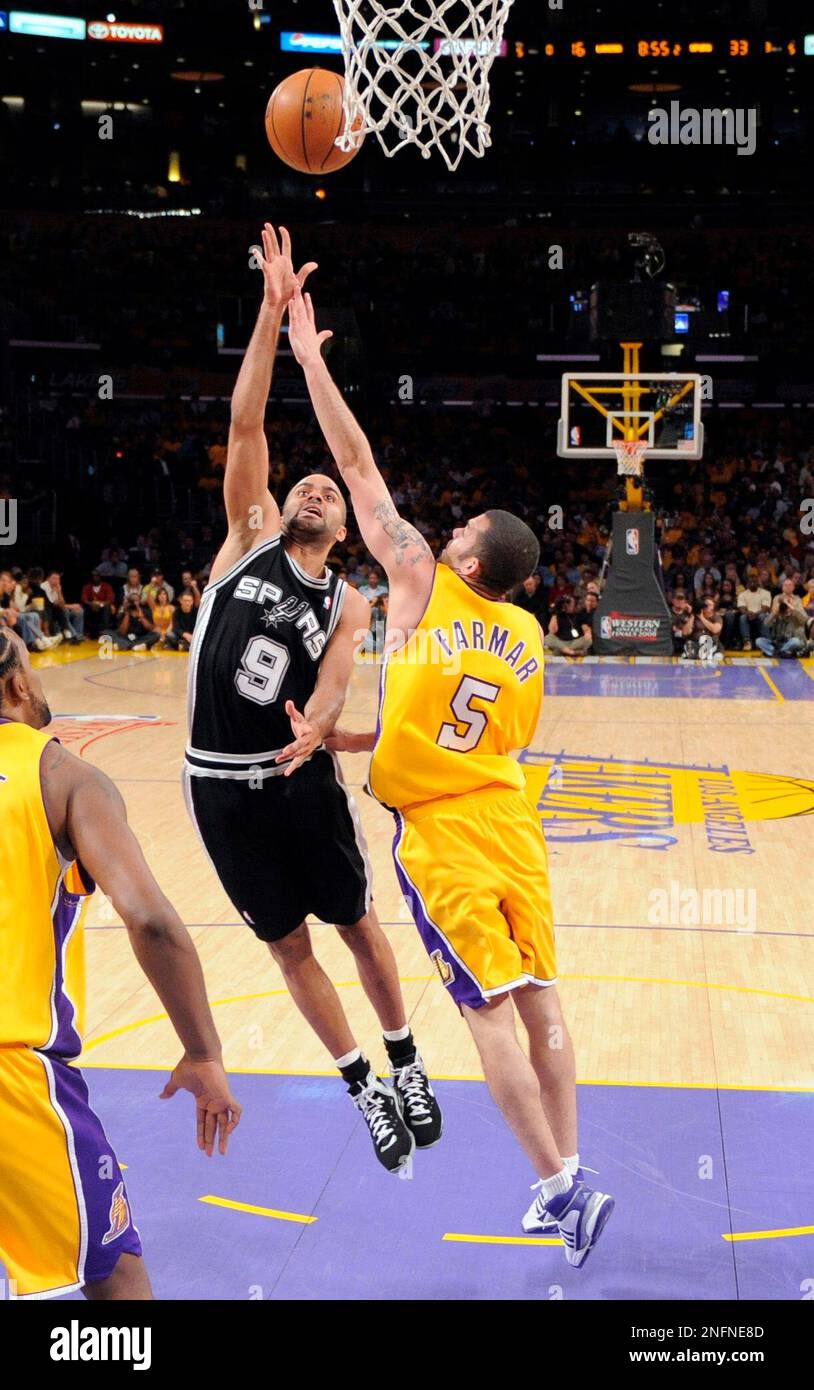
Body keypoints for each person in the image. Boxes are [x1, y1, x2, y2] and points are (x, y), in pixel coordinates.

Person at [289, 281, 614, 1267]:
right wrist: (367, 740)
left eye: (460, 524)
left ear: (466, 555)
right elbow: (484, 736)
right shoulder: (524, 633)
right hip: (513, 826)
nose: (446, 525)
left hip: (444, 839)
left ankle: (557, 1186)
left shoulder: (422, 577)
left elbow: (355, 461)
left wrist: (309, 355)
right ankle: (569, 1171)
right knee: (541, 998)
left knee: (481, 1014)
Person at [183, 226, 442, 1176]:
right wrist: (265, 318)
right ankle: (363, 1087)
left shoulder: (351, 598)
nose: (314, 487)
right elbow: (248, 424)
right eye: (307, 483)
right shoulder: (245, 539)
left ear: (341, 526)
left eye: (327, 489)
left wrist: (324, 725)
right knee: (291, 949)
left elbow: (335, 680)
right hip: (218, 785)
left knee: (359, 926)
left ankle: (409, 1065)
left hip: (298, 780)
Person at [0, 627, 241, 1300]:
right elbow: (153, 921)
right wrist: (203, 1052)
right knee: (115, 1276)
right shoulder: (61, 775)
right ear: (19, 685)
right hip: (12, 1075)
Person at [44, 570, 84, 644]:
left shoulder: (56, 587)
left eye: (58, 579)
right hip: (50, 612)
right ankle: (74, 636)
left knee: (79, 611)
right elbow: (53, 605)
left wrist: (59, 591)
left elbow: (62, 603)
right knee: (64, 611)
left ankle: (79, 635)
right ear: (48, 579)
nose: (56, 581)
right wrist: (72, 606)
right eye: (54, 578)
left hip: (60, 609)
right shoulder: (44, 587)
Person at [81, 571, 116, 640]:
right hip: (91, 607)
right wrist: (92, 604)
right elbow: (84, 599)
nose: (95, 578)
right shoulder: (87, 587)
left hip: (103, 607)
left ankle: (103, 633)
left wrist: (100, 604)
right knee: (84, 607)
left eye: (97, 576)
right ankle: (87, 633)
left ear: (100, 577)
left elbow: (110, 599)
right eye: (93, 576)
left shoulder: (106, 586)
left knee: (107, 607)